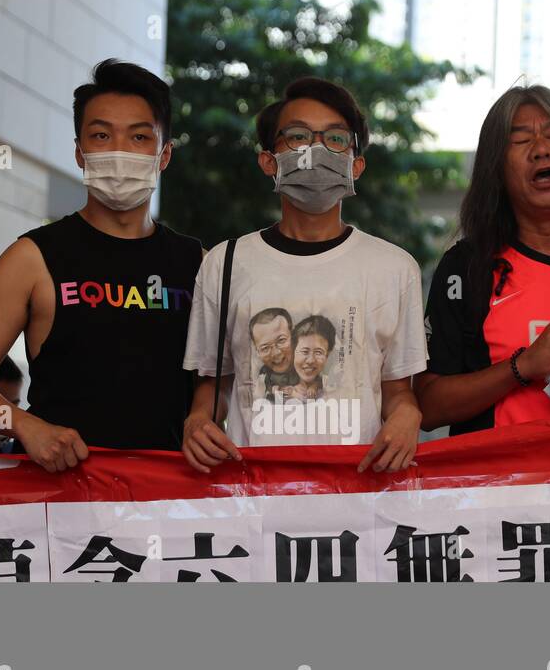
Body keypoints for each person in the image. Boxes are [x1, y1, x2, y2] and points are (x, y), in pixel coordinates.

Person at [0, 59, 202, 473]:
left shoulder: (196, 262)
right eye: (101, 135)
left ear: (164, 154)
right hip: (59, 509)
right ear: (80, 153)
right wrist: (25, 425)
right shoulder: (31, 257)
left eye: (139, 137)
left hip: (167, 507)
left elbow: (216, 381)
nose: (119, 150)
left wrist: (205, 417)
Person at [181, 76, 426, 472]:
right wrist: (196, 421)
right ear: (268, 161)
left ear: (356, 164)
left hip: (357, 498)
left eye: (335, 139)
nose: (315, 150)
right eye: (297, 136)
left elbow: (398, 391)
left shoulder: (395, 269)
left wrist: (407, 415)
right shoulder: (225, 263)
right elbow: (215, 384)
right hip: (253, 496)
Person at [417, 85, 550, 434]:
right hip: (497, 486)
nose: (541, 150)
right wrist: (523, 365)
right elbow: (427, 405)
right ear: (495, 167)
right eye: (520, 141)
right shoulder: (466, 267)